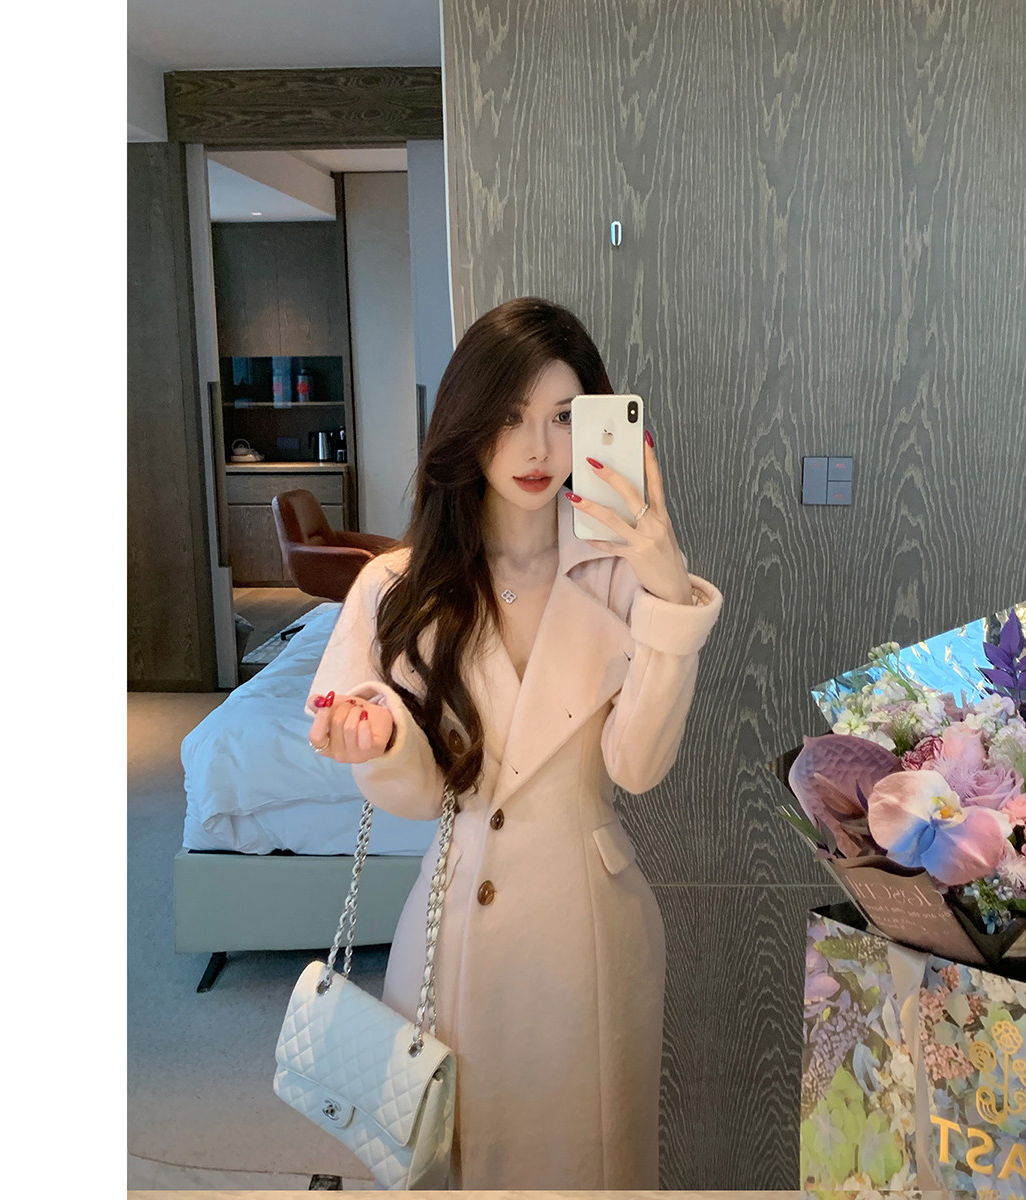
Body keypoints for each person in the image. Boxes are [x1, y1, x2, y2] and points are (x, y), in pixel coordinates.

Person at [304, 296, 723, 1188]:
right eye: (508, 416)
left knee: (587, 1167)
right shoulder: (398, 586)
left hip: (589, 933)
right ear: (466, 423)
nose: (537, 449)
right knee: (454, 1162)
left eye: (564, 418)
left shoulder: (619, 575)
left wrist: (667, 592)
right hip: (455, 923)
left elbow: (638, 767)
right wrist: (378, 743)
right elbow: (421, 796)